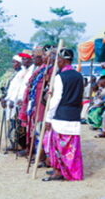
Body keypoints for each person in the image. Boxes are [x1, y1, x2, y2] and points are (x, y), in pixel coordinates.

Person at [43, 48, 84, 181]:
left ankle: (58, 171)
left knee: (58, 147)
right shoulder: (79, 76)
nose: (57, 63)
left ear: (65, 60)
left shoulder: (60, 77)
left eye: (59, 60)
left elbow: (56, 99)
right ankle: (70, 171)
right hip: (74, 115)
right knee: (71, 148)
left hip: (61, 116)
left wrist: (49, 117)